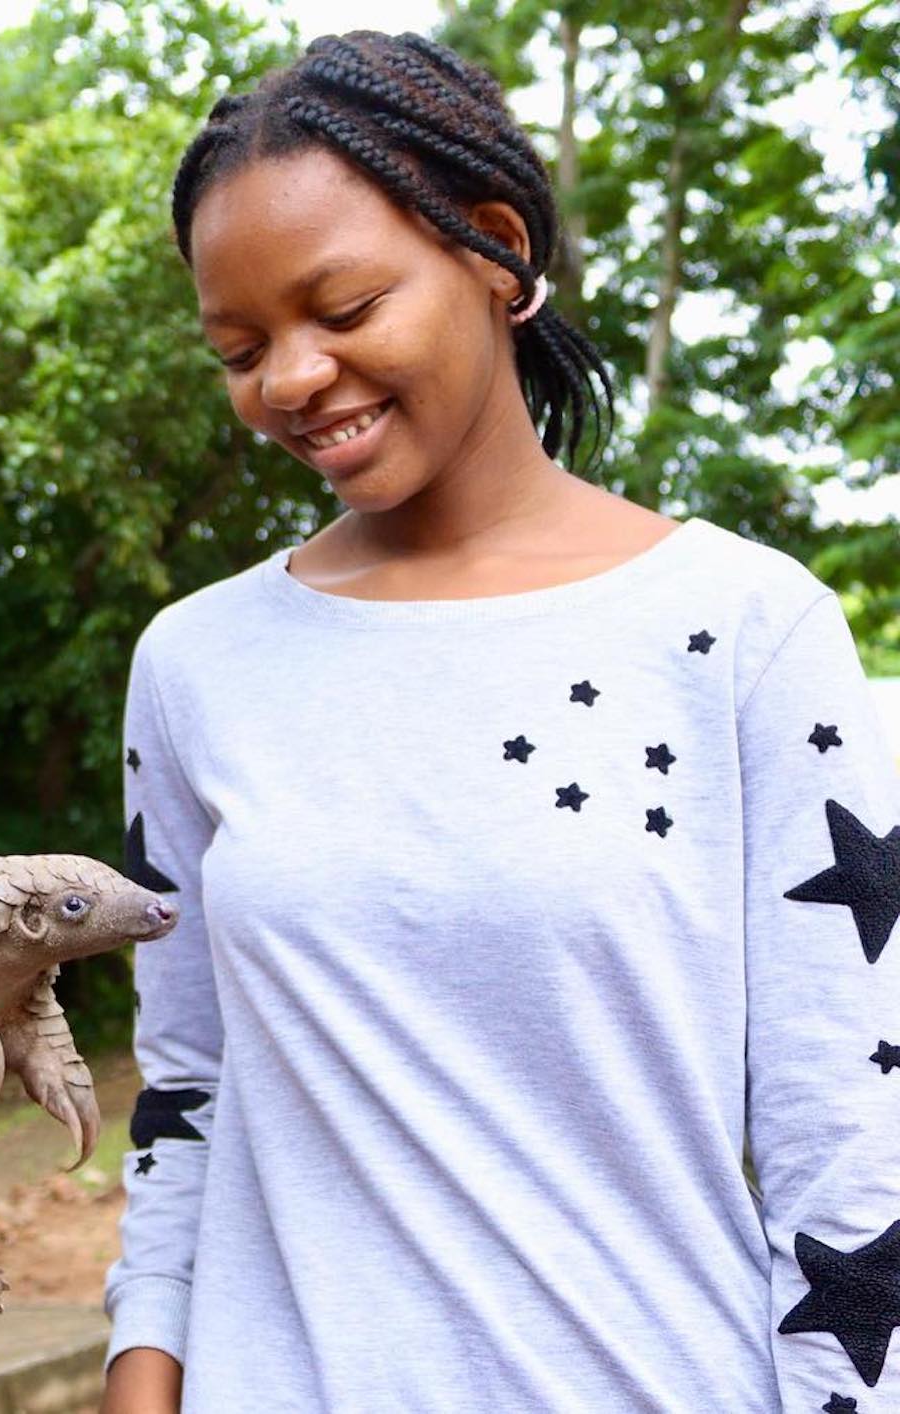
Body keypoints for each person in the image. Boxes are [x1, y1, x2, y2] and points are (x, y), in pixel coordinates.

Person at [101, 29, 900, 1413]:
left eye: (343, 308)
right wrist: (142, 1380)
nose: (290, 378)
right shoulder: (195, 665)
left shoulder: (743, 632)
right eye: (240, 347)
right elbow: (188, 1097)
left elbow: (854, 1142)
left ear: (496, 250)